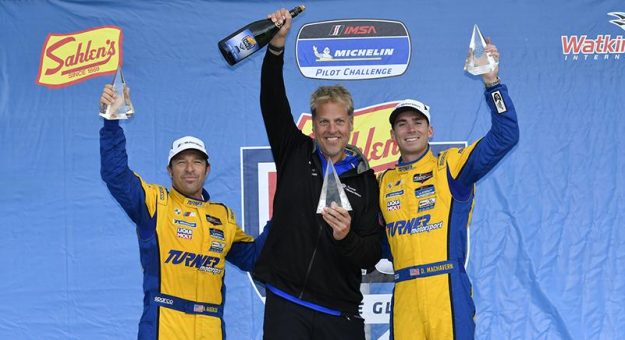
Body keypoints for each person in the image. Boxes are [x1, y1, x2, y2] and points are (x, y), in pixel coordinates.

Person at [99, 84, 267, 340]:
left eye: (197, 161)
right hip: (164, 325)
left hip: (210, 327)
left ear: (207, 169)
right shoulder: (155, 202)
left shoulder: (223, 217)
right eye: (181, 161)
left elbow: (253, 259)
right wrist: (111, 124)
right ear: (169, 170)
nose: (189, 168)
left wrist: (287, 210)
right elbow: (115, 175)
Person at [252, 8, 382, 340]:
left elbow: (370, 255)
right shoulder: (294, 151)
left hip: (340, 313)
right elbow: (272, 100)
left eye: (339, 121)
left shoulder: (365, 181)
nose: (332, 129)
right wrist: (276, 47)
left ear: (351, 125)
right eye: (324, 121)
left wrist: (347, 237)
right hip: (286, 304)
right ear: (313, 124)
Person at [378, 42, 519, 339]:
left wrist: (492, 82)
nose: (410, 129)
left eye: (418, 122)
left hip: (446, 287)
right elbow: (370, 243)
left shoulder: (450, 165)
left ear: (431, 131)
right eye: (402, 124)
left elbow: (506, 135)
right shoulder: (382, 183)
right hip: (404, 291)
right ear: (393, 136)